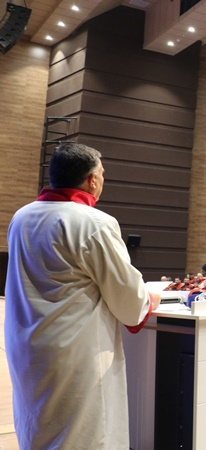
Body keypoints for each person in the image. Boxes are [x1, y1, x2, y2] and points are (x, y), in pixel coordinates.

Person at [5, 143, 161, 450]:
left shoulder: (21, 217)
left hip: (27, 346)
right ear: (91, 179)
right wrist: (149, 298)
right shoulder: (95, 223)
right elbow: (128, 300)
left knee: (37, 428)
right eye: (102, 174)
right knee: (83, 437)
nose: (103, 180)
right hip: (75, 352)